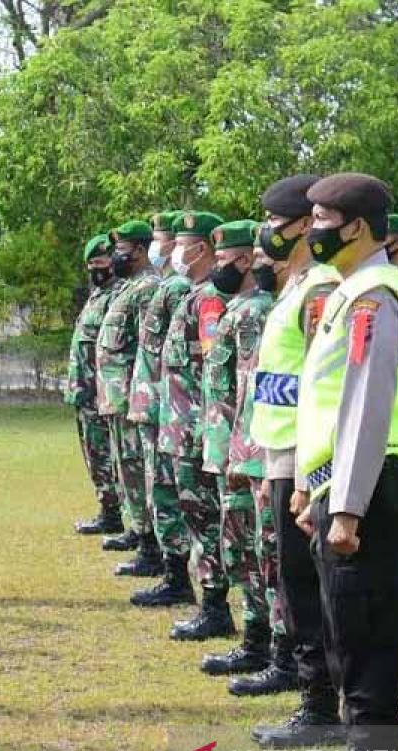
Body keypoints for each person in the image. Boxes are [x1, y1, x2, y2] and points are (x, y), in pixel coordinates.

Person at [290, 173, 398, 751]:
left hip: (373, 487)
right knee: (348, 628)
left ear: (355, 227)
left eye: (322, 216)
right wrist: (310, 487)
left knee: (368, 632)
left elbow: (367, 406)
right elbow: (328, 408)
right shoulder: (354, 292)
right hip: (350, 483)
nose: (311, 226)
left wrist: (343, 506)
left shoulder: (374, 296)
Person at [248, 175, 344, 740]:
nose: (268, 233)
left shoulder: (318, 290)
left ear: (304, 226)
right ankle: (317, 698)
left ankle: (320, 705)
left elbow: (322, 384)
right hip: (283, 452)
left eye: (275, 222)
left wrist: (307, 469)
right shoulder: (298, 283)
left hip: (307, 458)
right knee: (295, 580)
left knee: (309, 585)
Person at [197, 221, 280, 682]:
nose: (218, 268)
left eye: (225, 259)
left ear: (247, 261)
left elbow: (250, 391)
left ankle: (269, 646)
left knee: (257, 551)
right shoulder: (236, 310)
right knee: (238, 550)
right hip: (230, 451)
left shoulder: (254, 313)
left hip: (248, 456)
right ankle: (256, 637)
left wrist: (241, 456)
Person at [227, 239, 298, 698]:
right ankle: (261, 642)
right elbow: (250, 388)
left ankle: (286, 656)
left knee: (275, 557)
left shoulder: (291, 306)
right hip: (253, 449)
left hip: (279, 455)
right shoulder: (277, 309)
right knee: (251, 551)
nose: (260, 265)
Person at [168, 215, 242, 643]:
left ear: (203, 251)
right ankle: (208, 601)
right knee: (197, 517)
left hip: (198, 427)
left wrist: (201, 426)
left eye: (183, 243)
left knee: (206, 519)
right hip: (186, 426)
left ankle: (215, 606)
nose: (176, 252)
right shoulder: (197, 294)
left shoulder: (211, 300)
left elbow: (211, 366)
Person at [127, 211, 204, 606]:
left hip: (174, 412)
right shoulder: (176, 287)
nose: (163, 249)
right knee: (162, 492)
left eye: (168, 241)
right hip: (158, 406)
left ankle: (180, 577)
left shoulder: (180, 290)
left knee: (176, 498)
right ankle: (174, 573)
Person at [94, 221, 163, 577]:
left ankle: (151, 547)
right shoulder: (128, 287)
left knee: (140, 473)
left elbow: (145, 348)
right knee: (128, 472)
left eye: (120, 248)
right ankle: (139, 533)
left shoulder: (148, 288)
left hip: (132, 397)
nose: (113, 256)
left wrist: (137, 395)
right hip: (117, 396)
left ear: (138, 250)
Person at [66, 234, 125, 537]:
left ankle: (114, 513)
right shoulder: (97, 294)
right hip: (84, 391)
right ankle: (107, 508)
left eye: (101, 263)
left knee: (106, 454)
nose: (96, 269)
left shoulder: (117, 295)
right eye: (91, 264)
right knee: (93, 453)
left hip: (101, 393)